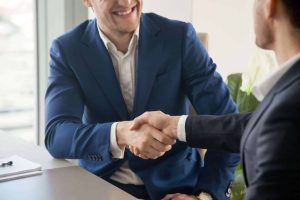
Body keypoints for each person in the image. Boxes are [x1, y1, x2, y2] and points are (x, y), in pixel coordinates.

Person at [44, 0, 240, 199]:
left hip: (179, 188)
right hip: (101, 187)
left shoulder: (179, 37)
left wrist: (205, 196)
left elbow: (229, 127)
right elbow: (57, 134)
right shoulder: (67, 49)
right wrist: (122, 133)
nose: (126, 2)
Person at [131, 0, 300, 199]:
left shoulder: (287, 115)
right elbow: (253, 125)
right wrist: (176, 125)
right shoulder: (290, 99)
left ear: (270, 6)